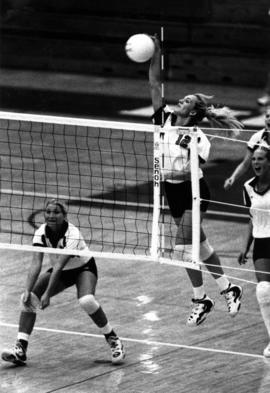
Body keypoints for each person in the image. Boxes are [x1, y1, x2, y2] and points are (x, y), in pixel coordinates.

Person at [149, 36, 243, 326]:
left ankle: (201, 298)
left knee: (182, 248)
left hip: (194, 191)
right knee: (200, 247)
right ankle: (229, 287)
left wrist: (185, 144)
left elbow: (191, 170)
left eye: (186, 101)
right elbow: (154, 85)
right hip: (171, 191)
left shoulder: (199, 140)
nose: (180, 101)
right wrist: (155, 54)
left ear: (193, 112)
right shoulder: (163, 119)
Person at [1, 199, 125, 365]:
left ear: (64, 215)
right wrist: (27, 290)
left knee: (86, 300)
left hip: (83, 268)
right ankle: (20, 350)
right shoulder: (40, 232)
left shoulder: (72, 233)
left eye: (56, 212)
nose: (51, 215)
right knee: (29, 298)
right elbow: (36, 264)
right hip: (62, 271)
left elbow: (59, 265)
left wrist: (47, 295)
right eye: (48, 212)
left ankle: (114, 340)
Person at [238, 146, 270, 357]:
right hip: (261, 242)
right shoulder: (248, 187)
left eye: (260, 159)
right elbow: (251, 219)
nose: (256, 163)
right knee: (264, 290)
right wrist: (245, 246)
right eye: (254, 159)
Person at [224, 107, 270, 190]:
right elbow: (245, 164)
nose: (269, 119)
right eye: (267, 116)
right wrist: (232, 178)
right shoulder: (257, 137)